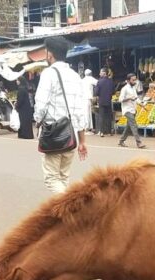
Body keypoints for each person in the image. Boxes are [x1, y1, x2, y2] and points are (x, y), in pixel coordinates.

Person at [34, 36, 88, 194]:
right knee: (63, 178)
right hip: (71, 137)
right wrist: (83, 140)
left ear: (49, 54)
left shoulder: (49, 73)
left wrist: (38, 121)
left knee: (52, 179)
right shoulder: (75, 76)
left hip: (54, 135)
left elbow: (41, 105)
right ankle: (65, 214)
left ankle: (71, 211)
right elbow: (80, 111)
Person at [118, 73, 146, 149]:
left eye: (135, 80)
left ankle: (121, 141)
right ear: (128, 80)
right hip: (127, 110)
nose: (135, 81)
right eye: (133, 80)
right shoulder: (124, 89)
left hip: (133, 109)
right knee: (134, 125)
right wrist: (129, 98)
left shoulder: (133, 88)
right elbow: (120, 99)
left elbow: (136, 98)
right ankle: (139, 143)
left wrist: (142, 104)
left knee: (128, 127)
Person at [95, 68, 114, 137]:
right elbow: (113, 91)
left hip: (102, 101)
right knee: (109, 116)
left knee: (101, 116)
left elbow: (96, 92)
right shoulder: (111, 81)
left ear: (104, 73)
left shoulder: (99, 82)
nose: (99, 74)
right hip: (109, 101)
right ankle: (109, 132)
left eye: (100, 72)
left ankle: (101, 132)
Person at [81, 69, 98, 133]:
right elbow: (98, 83)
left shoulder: (82, 80)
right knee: (87, 113)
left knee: (87, 113)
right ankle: (87, 128)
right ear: (90, 73)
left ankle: (89, 127)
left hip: (83, 98)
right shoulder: (90, 78)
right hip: (87, 98)